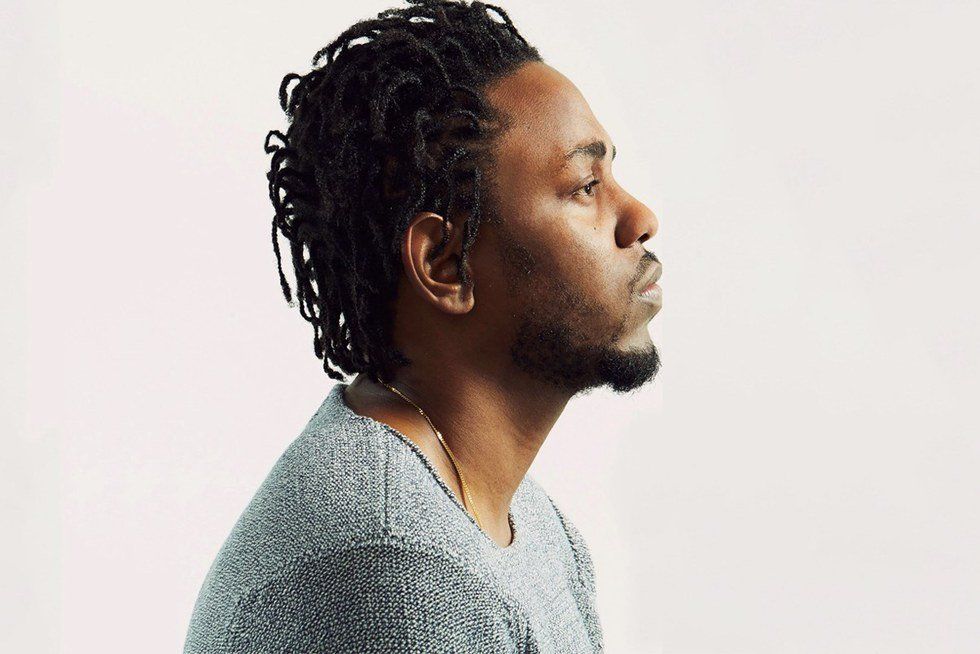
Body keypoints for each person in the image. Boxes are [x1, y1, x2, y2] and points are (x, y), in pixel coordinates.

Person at [183, 0, 661, 651]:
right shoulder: (402, 571)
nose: (640, 218)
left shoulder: (524, 524)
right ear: (445, 264)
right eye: (585, 185)